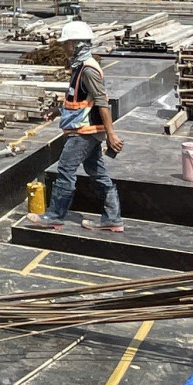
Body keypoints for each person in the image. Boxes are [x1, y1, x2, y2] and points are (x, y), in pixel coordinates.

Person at [29, 20, 125, 232]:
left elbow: (101, 102)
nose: (64, 47)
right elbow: (79, 101)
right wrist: (59, 111)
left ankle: (54, 216)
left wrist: (111, 134)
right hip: (84, 129)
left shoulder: (88, 70)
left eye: (67, 43)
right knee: (96, 172)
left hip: (84, 132)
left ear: (76, 44)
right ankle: (113, 218)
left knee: (66, 169)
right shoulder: (80, 67)